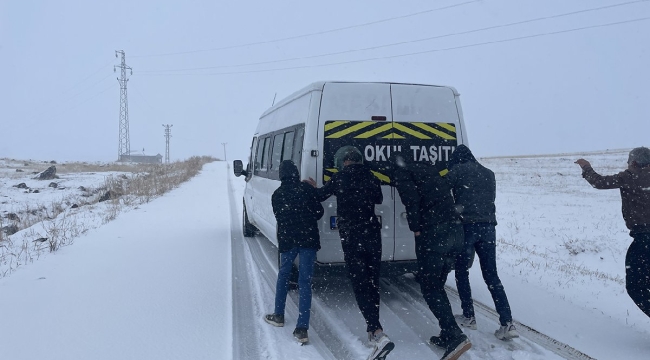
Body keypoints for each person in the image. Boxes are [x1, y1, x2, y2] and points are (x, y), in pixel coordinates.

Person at [306, 146, 395, 360]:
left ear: (344, 161)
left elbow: (319, 196)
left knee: (359, 282)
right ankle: (374, 330)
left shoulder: (339, 178)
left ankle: (376, 332)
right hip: (372, 233)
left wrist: (313, 187)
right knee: (373, 281)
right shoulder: (371, 176)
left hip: (352, 235)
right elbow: (378, 199)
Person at [388, 151, 472, 360]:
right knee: (438, 285)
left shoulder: (402, 172)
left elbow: (411, 200)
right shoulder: (429, 170)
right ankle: (446, 333)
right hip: (456, 232)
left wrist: (416, 227)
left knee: (430, 287)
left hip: (435, 233)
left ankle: (454, 335)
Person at [445, 144, 519, 341]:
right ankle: (507, 322)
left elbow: (443, 191)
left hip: (467, 227)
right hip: (488, 228)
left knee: (461, 270)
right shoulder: (489, 173)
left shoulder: (456, 171)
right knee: (492, 276)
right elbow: (490, 198)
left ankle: (469, 315)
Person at [575, 147, 650, 319]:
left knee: (636, 287)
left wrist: (586, 168)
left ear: (635, 163)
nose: (627, 165)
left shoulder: (630, 177)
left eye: (629, 162)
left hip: (644, 240)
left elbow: (599, 182)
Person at [264, 160, 324, 344]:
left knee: (283, 275)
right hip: (308, 240)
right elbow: (318, 212)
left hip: (288, 241)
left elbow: (279, 216)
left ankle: (278, 315)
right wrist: (312, 191)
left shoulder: (277, 195)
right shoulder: (306, 190)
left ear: (282, 176)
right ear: (296, 174)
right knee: (304, 281)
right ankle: (302, 329)